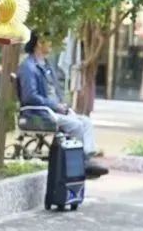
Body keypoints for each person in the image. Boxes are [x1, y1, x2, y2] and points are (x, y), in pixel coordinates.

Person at [18, 31, 109, 178]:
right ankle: (82, 164)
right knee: (76, 125)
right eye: (49, 40)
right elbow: (30, 97)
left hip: (53, 111)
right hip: (39, 113)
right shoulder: (28, 67)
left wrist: (62, 106)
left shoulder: (46, 65)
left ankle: (86, 159)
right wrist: (55, 106)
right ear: (39, 43)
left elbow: (56, 92)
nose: (51, 44)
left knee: (86, 122)